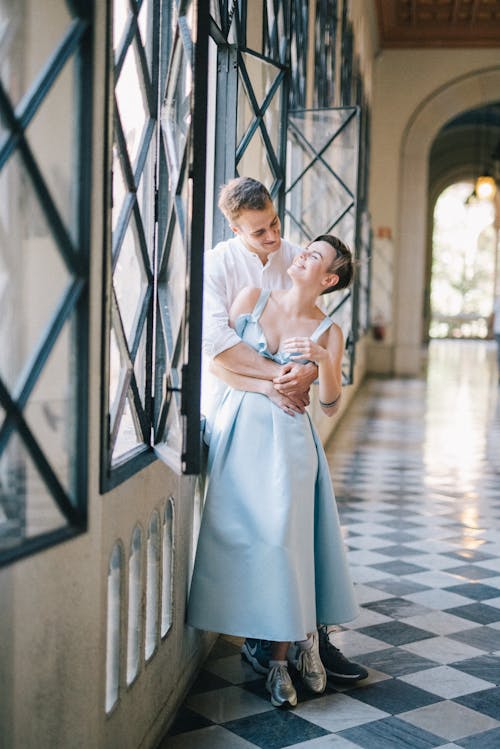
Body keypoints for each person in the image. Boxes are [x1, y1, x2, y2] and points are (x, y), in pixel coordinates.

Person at [200, 177, 368, 687]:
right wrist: (275, 381)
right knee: (254, 535)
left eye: (276, 223)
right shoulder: (224, 269)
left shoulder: (298, 259)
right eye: (262, 232)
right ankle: (266, 638)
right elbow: (217, 352)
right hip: (242, 423)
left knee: (299, 535)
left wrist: (317, 368)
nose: (277, 239)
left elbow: (330, 389)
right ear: (235, 229)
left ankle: (311, 636)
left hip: (293, 434)